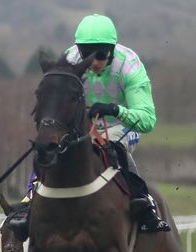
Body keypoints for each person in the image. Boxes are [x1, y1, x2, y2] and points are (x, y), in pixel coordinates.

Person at [9, 14, 170, 240]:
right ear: (79, 51)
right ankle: (30, 204)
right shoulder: (71, 59)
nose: (94, 61)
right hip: (82, 124)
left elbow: (147, 120)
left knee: (111, 144)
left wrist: (114, 110)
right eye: (87, 54)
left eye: (102, 54)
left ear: (112, 51)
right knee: (53, 145)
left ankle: (142, 202)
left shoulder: (129, 65)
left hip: (122, 125)